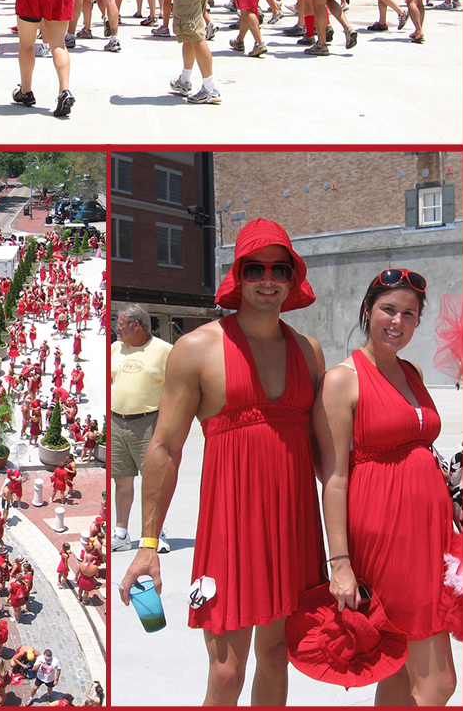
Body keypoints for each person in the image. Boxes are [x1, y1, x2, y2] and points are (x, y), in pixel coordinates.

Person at [120, 219, 325, 706]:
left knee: (276, 656)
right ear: (239, 275)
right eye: (255, 268)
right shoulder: (197, 349)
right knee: (227, 672)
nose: (268, 279)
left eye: (280, 268)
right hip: (230, 529)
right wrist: (148, 542)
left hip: (292, 527)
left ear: (293, 278)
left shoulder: (309, 352)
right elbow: (165, 448)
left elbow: (327, 457)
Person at [313, 269, 457, 706]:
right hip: (388, 533)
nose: (397, 322)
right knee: (438, 683)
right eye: (388, 310)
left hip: (430, 531)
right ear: (368, 311)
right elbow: (334, 478)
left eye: (409, 314)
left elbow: (421, 445)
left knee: (396, 669)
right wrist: (340, 563)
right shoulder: (343, 379)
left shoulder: (411, 371)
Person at [110, 304, 173, 553]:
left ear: (136, 325)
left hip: (149, 423)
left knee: (154, 482)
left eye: (120, 323)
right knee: (122, 482)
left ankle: (156, 535)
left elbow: (177, 390)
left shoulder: (165, 351)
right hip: (117, 423)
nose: (116, 327)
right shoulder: (115, 349)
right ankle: (121, 534)